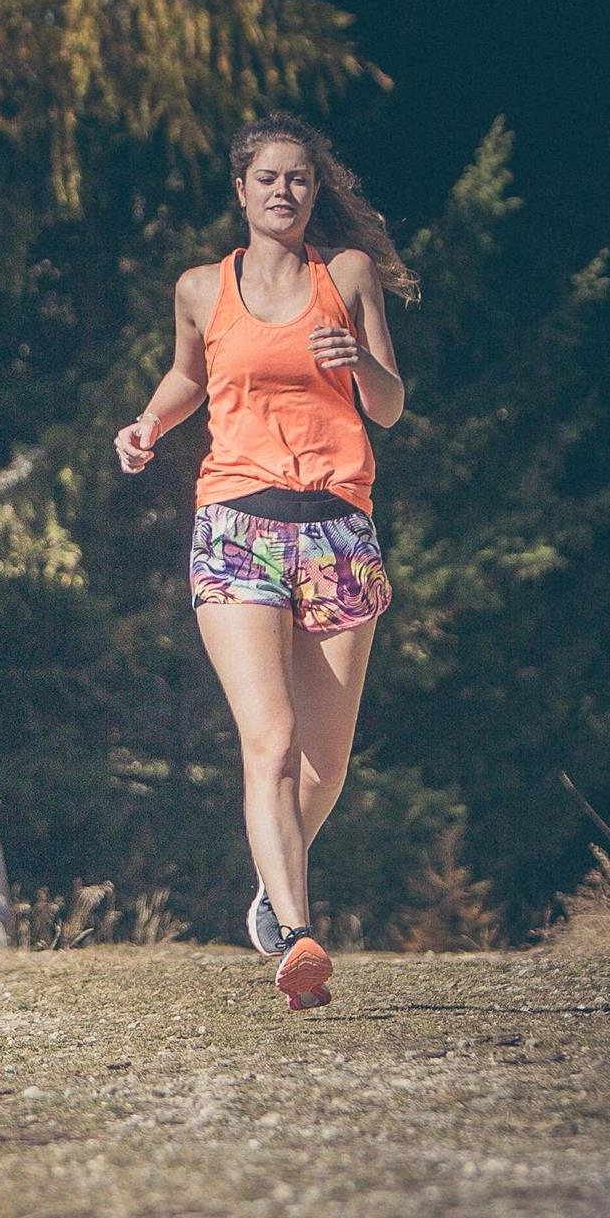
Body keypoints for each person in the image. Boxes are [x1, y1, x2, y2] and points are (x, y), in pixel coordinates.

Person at [115, 113, 419, 1010]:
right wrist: (148, 424)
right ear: (241, 189)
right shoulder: (203, 289)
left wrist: (356, 357)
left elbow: (392, 405)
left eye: (299, 180)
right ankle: (296, 932)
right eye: (269, 179)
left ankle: (269, 884)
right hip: (236, 522)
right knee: (271, 738)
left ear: (313, 192)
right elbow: (188, 376)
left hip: (337, 528)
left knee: (327, 760)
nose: (284, 192)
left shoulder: (348, 277)